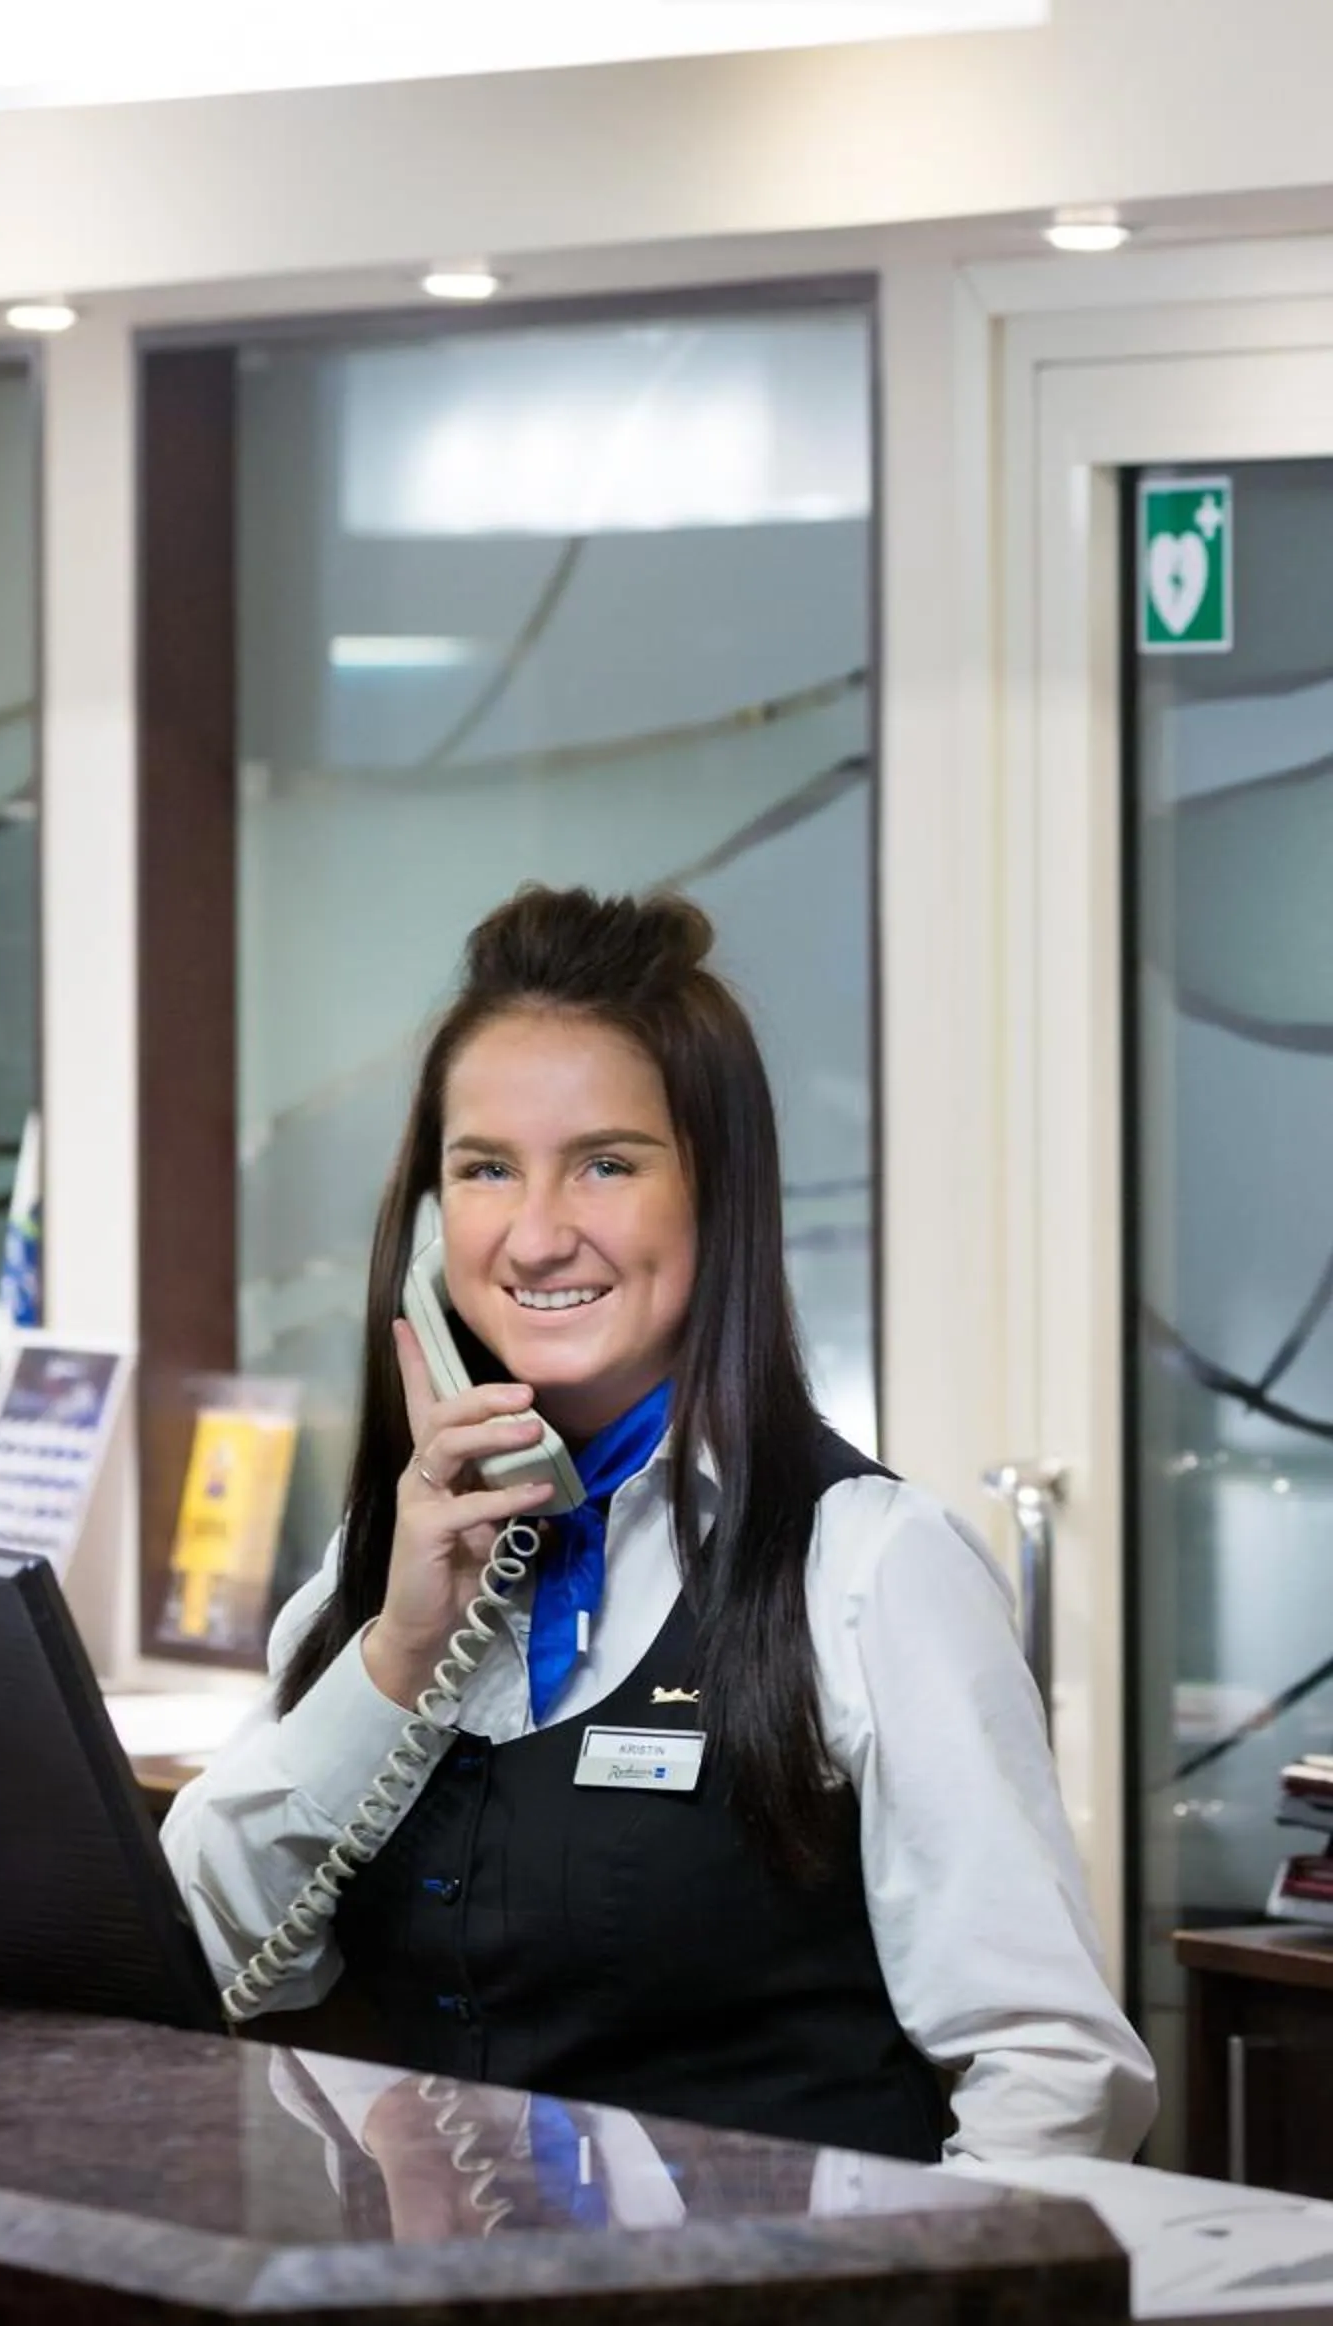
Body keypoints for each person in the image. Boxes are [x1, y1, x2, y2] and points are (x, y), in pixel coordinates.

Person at [162, 884, 1156, 2167]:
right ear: (425, 1227)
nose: (532, 1235)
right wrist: (398, 1654)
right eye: (482, 1171)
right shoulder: (375, 1574)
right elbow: (198, 1956)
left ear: (715, 1194)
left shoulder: (865, 1566)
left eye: (606, 1164)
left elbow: (1051, 2069)